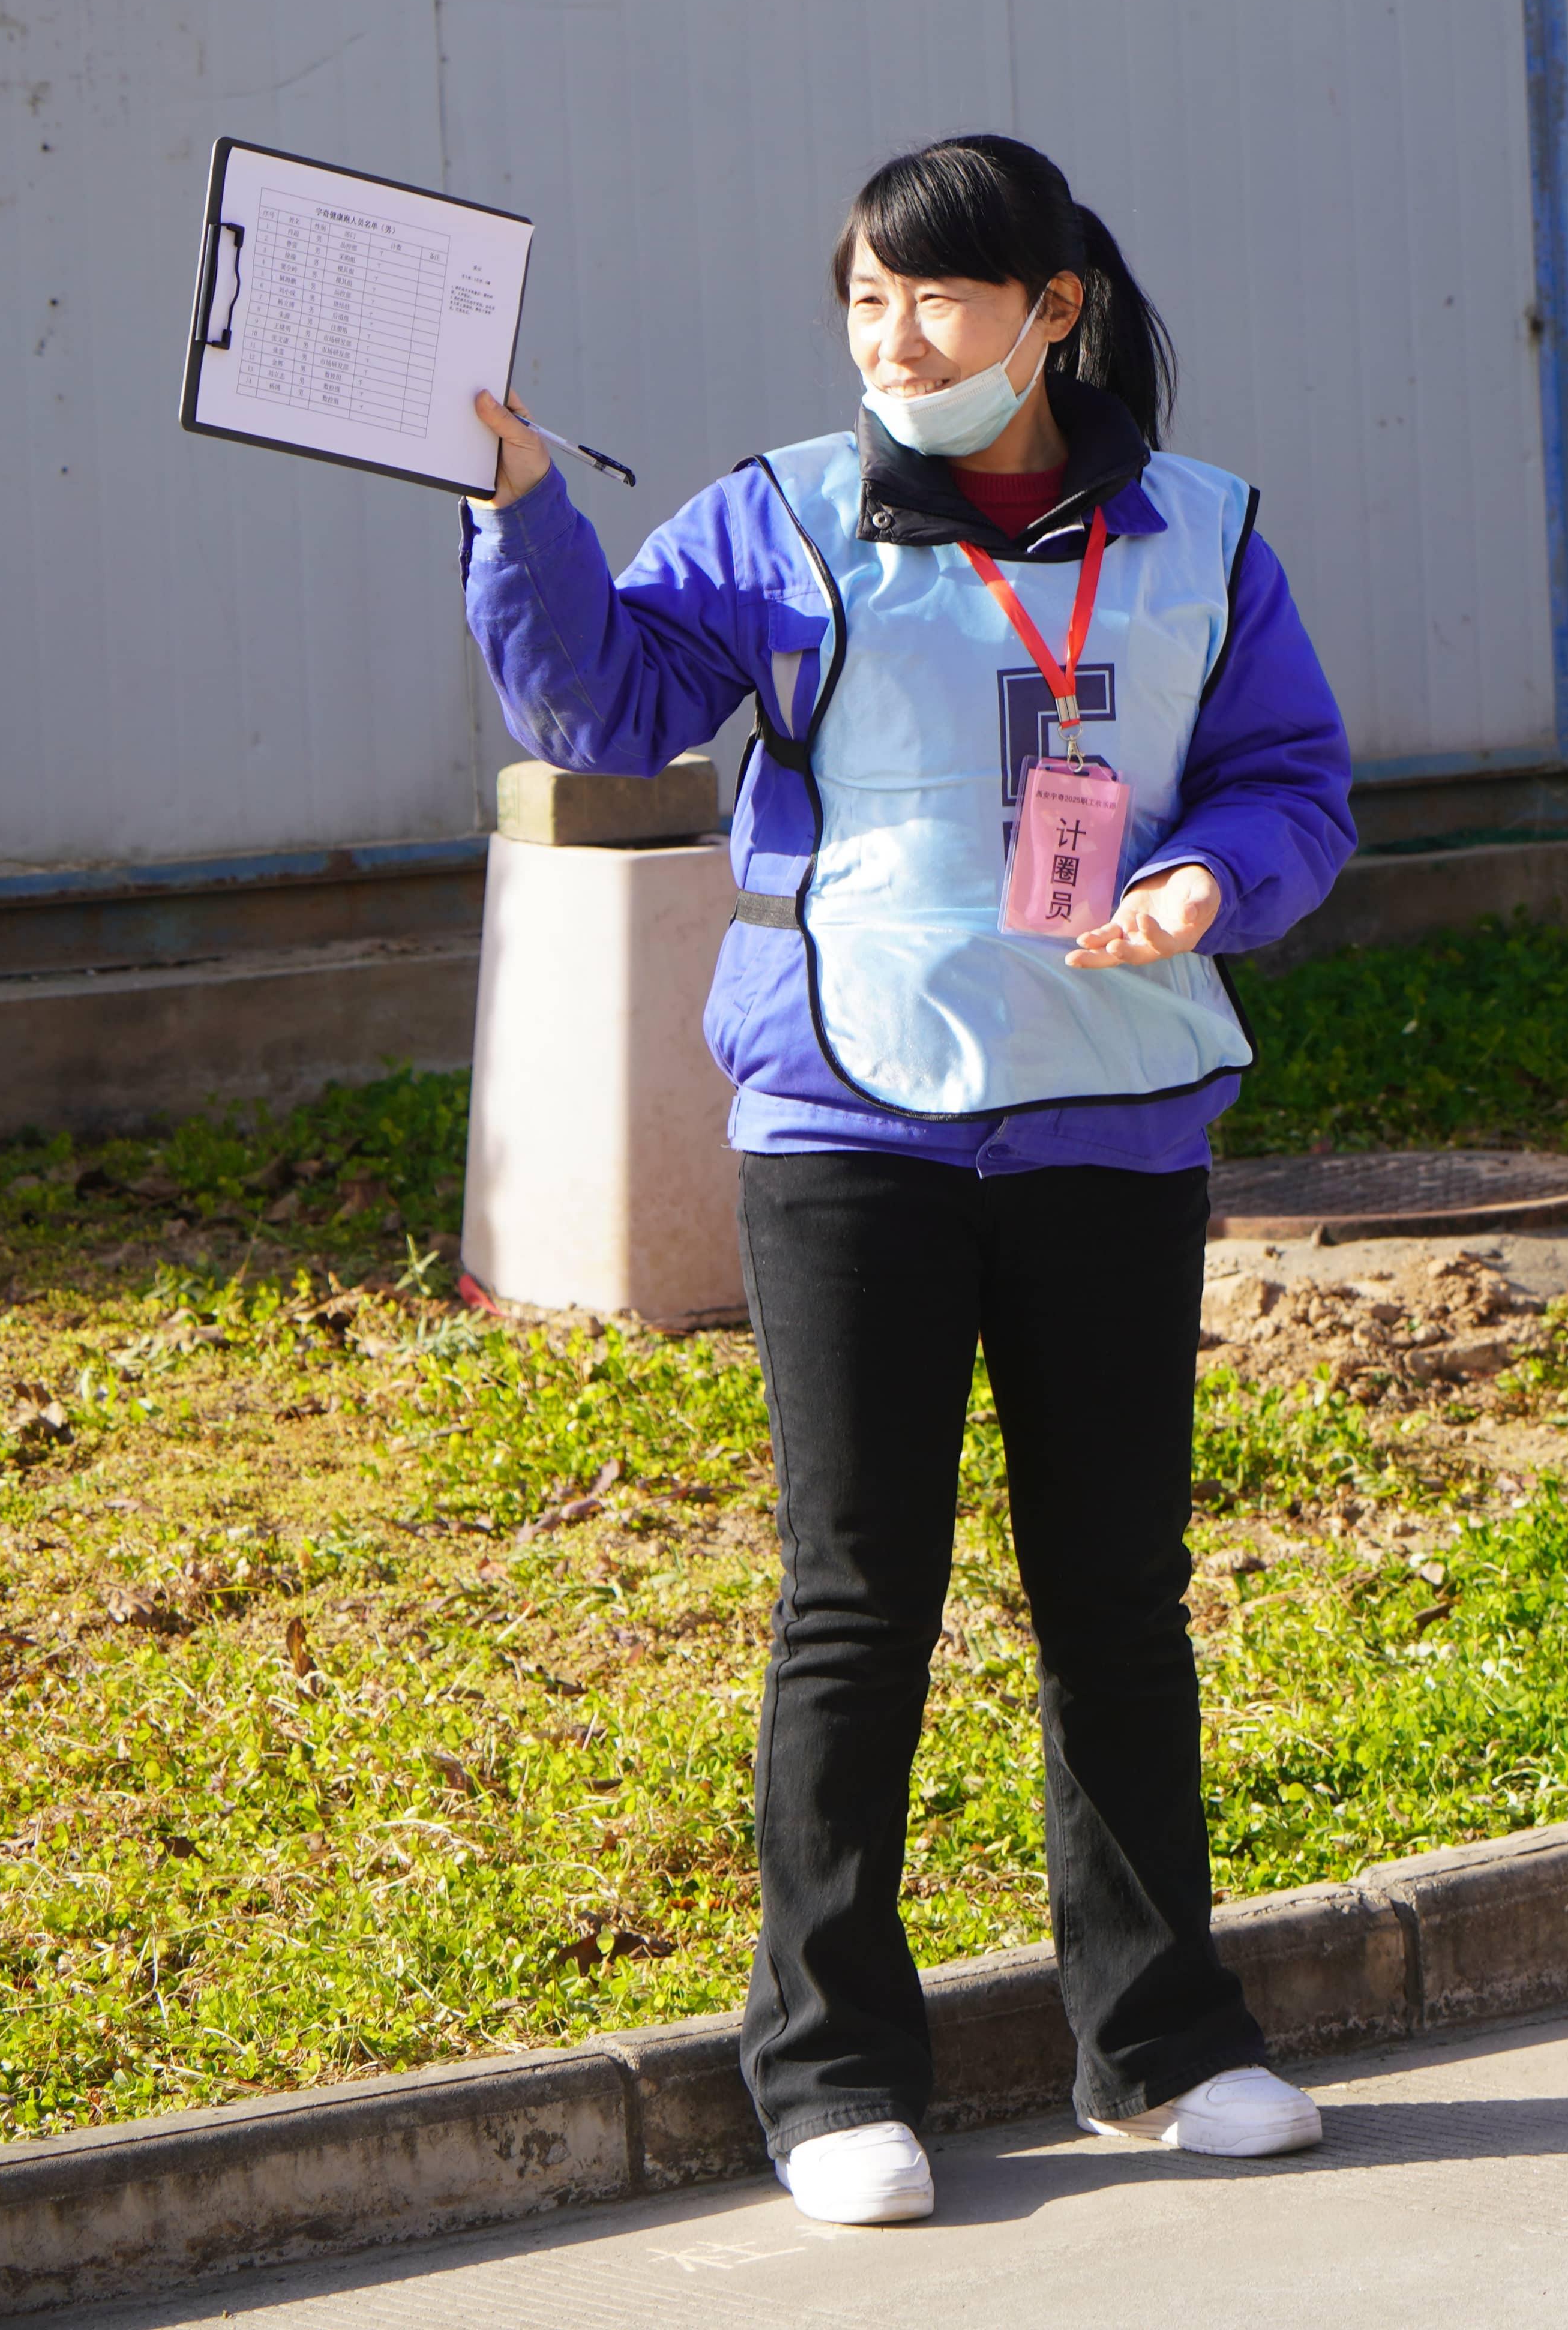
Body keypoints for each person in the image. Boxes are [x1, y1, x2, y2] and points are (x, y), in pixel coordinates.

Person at [458, 135, 1356, 2224]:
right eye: (866, 300)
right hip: (850, 1126)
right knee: (860, 1597)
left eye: (938, 298)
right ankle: (834, 2074)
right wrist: (518, 511)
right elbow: (603, 703)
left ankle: (1161, 2042)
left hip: (1112, 1114)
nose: (894, 338)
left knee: (1118, 1592)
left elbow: (1290, 780)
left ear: (1052, 311)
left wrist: (1212, 879)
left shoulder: (1205, 531)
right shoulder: (777, 518)